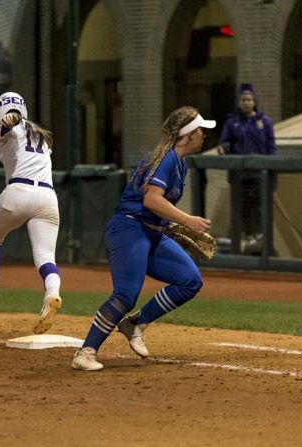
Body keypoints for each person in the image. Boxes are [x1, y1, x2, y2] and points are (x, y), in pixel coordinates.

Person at [72, 106, 215, 371]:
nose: (204, 135)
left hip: (151, 232)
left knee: (190, 280)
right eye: (200, 130)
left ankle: (136, 323)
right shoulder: (167, 158)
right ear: (188, 134)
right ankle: (85, 352)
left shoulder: (180, 163)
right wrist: (188, 221)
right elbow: (151, 199)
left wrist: (169, 225)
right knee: (126, 294)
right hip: (129, 228)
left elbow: (156, 205)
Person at [0, 91, 62, 335]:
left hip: (18, 191)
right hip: (47, 197)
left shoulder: (1, 128)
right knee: (46, 257)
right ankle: (52, 293)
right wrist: (16, 117)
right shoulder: (42, 136)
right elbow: (18, 122)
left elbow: (7, 124)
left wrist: (10, 118)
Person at [217, 83, 276, 253]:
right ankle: (242, 238)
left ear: (254, 102)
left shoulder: (264, 122)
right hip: (239, 176)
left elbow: (271, 148)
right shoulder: (231, 122)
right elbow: (224, 142)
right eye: (243, 99)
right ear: (238, 102)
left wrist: (272, 174)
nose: (246, 102)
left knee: (259, 207)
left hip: (259, 175)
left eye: (249, 99)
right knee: (241, 208)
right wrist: (223, 147)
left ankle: (258, 237)